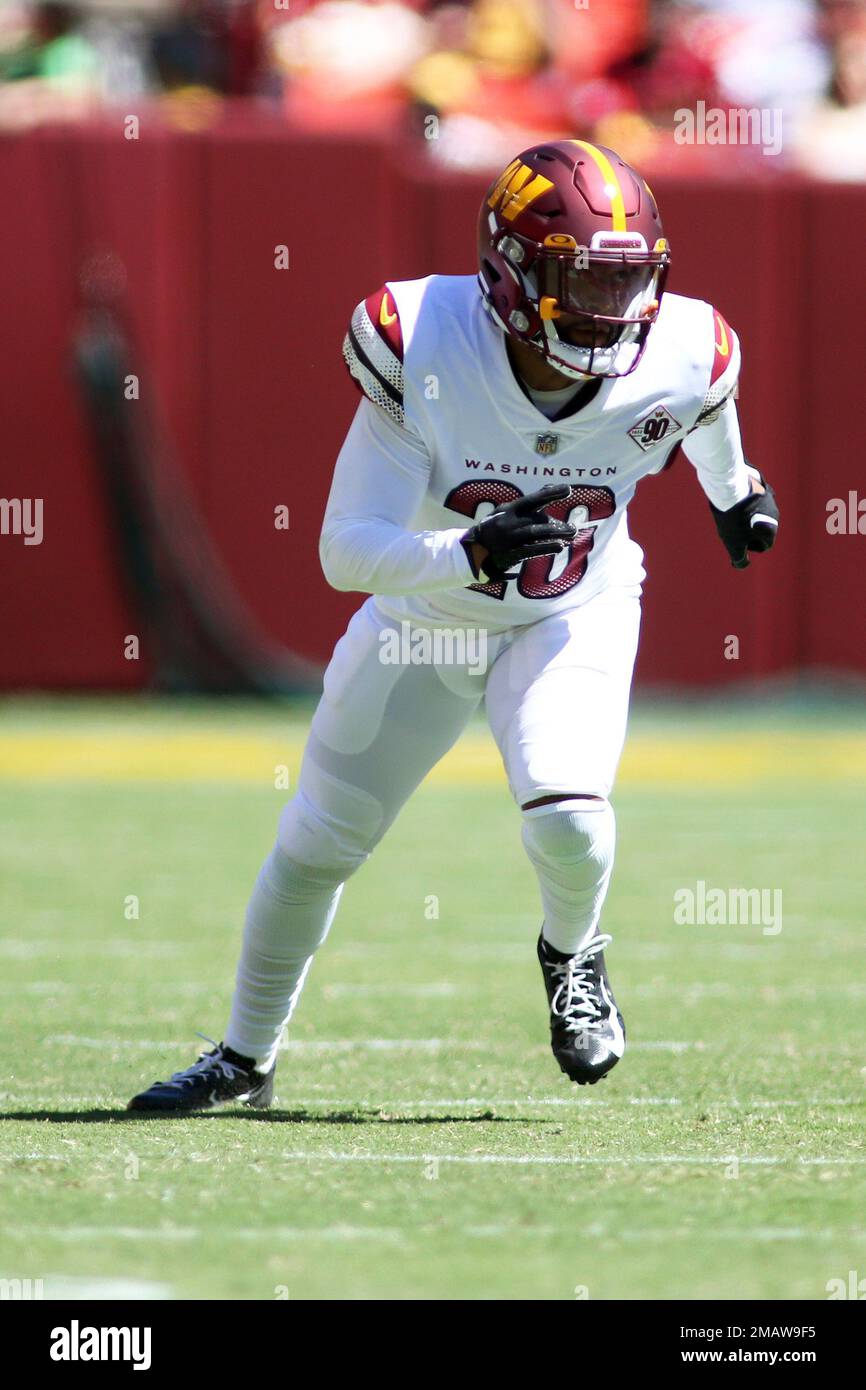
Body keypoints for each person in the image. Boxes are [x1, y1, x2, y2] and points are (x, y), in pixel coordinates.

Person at [128, 139, 779, 1112]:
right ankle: (243, 1058)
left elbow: (708, 409)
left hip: (573, 610)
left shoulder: (686, 348)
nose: (611, 311)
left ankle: (572, 959)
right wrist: (464, 556)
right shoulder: (422, 337)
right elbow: (345, 550)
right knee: (315, 843)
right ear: (509, 271)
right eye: (577, 281)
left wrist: (735, 492)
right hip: (424, 618)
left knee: (568, 817)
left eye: (625, 282)